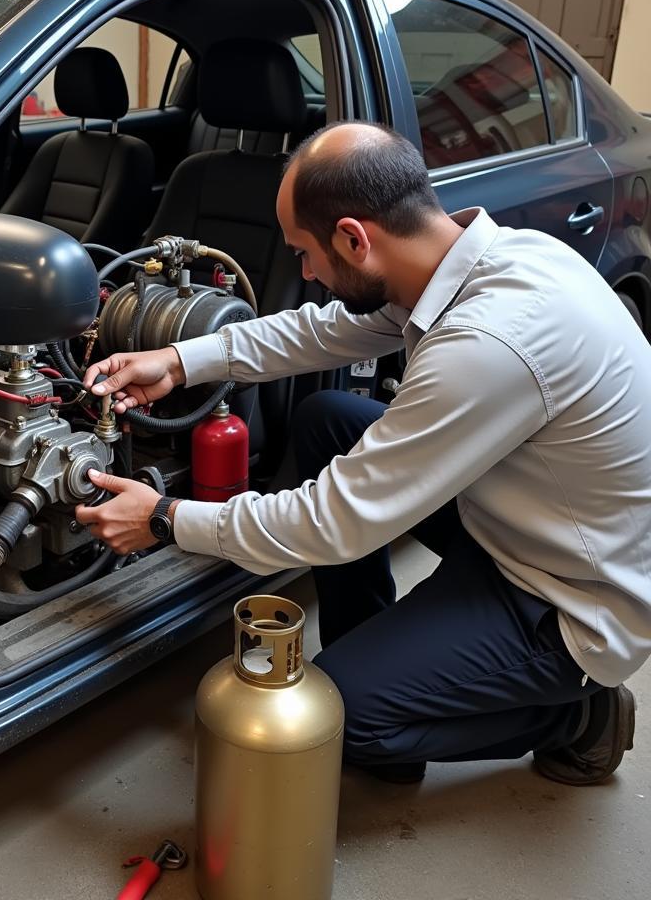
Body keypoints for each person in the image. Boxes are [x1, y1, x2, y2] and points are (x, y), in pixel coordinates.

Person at [75, 120, 651, 785]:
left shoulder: (490, 343)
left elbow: (332, 523)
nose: (305, 272)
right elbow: (326, 330)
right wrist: (182, 361)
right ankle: (383, 663)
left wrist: (163, 517)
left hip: (569, 599)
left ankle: (578, 718)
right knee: (329, 419)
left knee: (328, 724)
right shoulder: (491, 257)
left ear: (355, 237)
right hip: (525, 521)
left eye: (303, 253)